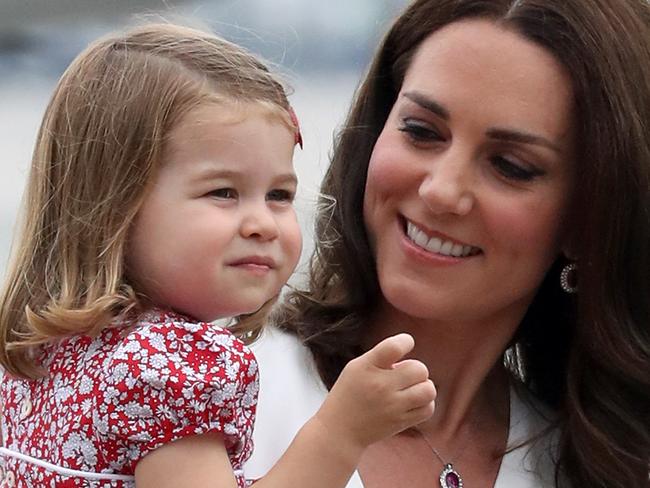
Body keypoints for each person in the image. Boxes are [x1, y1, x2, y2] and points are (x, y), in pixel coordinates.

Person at [0, 23, 436, 487]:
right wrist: (343, 431)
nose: (262, 223)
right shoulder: (171, 364)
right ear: (111, 206)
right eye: (223, 192)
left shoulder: (43, 348)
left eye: (279, 195)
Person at [246, 0, 650, 487]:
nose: (441, 190)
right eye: (421, 131)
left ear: (588, 219)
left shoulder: (594, 469)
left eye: (511, 166)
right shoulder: (207, 389)